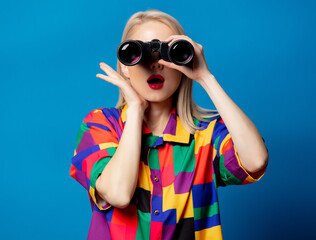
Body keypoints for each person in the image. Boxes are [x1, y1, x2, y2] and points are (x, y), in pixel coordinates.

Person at [70, 9, 269, 240]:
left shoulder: (205, 136)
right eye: (141, 52)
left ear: (184, 60)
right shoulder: (101, 125)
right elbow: (118, 193)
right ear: (125, 65)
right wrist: (135, 109)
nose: (155, 64)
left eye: (167, 54)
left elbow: (256, 160)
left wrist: (205, 77)